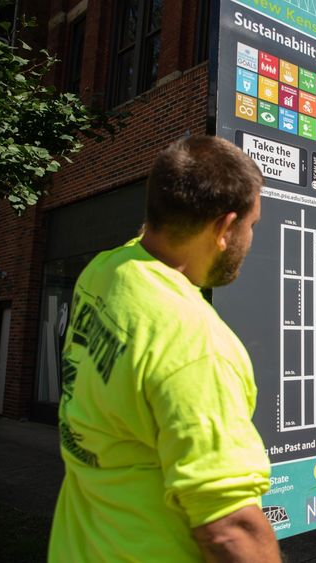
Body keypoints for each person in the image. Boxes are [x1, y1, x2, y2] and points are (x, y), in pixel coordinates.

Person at [48, 136, 280, 562]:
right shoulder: (197, 347)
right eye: (252, 225)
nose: (251, 237)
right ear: (224, 229)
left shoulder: (104, 271)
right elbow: (231, 530)